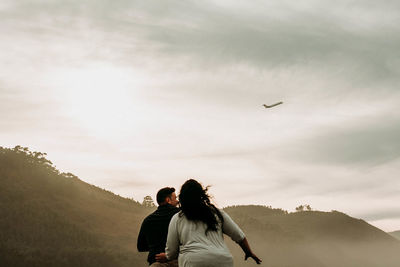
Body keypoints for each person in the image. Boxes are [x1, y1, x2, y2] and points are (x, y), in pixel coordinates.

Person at [156, 179, 262, 267]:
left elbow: (171, 252)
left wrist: (167, 256)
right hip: (223, 261)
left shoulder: (178, 218)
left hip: (193, 262)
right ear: (202, 195)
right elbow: (239, 236)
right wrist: (248, 252)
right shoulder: (217, 213)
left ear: (182, 198)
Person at [137, 187, 180, 267]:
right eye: (175, 198)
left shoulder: (148, 220)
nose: (177, 201)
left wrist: (155, 248)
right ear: (168, 200)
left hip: (155, 263)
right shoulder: (180, 216)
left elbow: (141, 246)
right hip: (176, 261)